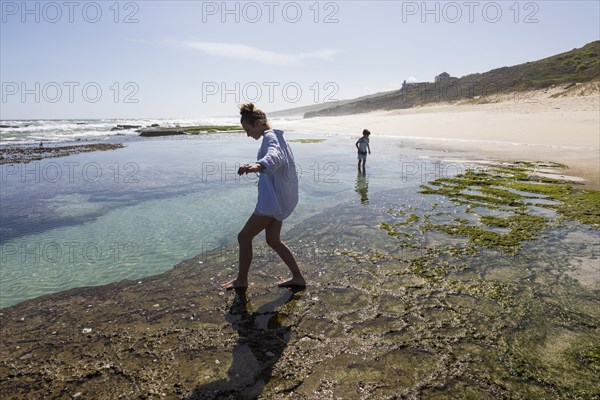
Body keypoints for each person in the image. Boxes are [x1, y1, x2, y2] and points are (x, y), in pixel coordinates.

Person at [221, 103, 306, 290]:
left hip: (272, 202)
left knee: (243, 237)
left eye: (248, 129)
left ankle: (241, 280)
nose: (247, 134)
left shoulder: (271, 138)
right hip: (280, 200)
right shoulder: (275, 136)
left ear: (258, 123)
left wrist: (258, 166)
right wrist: (259, 166)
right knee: (273, 240)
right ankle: (298, 277)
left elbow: (275, 157)